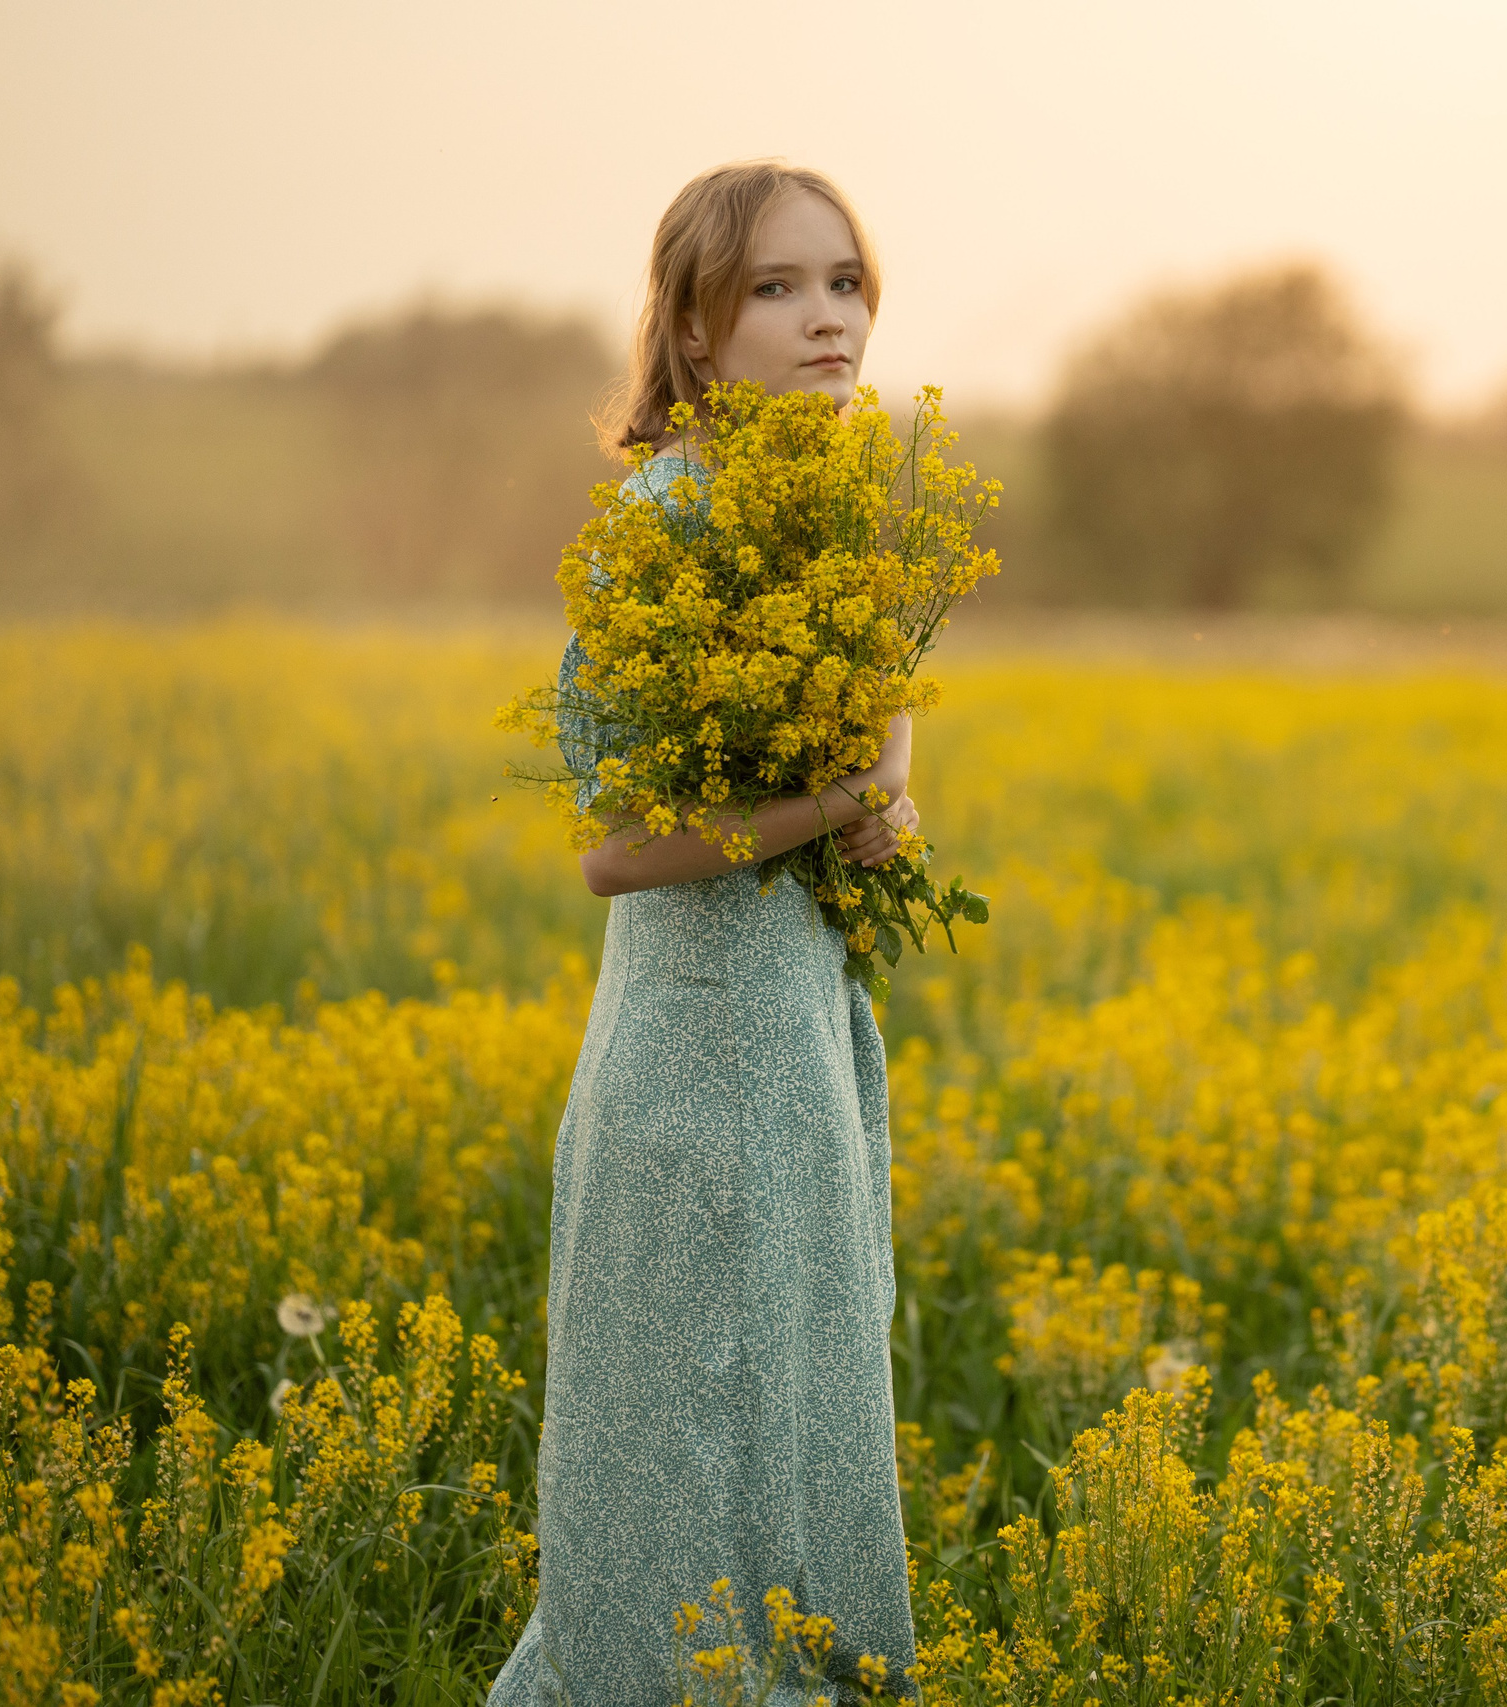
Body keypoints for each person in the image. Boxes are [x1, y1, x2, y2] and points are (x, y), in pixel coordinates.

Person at [489, 159, 918, 1707]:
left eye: (847, 283)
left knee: (789, 1445)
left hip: (796, 1040)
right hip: (694, 1068)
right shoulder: (660, 532)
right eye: (778, 289)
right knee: (687, 1472)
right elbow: (615, 851)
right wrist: (833, 801)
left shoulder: (836, 517)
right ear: (687, 329)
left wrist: (883, 806)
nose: (829, 322)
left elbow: (879, 747)